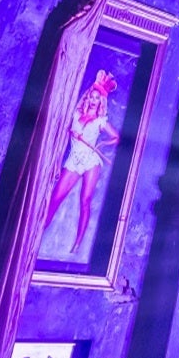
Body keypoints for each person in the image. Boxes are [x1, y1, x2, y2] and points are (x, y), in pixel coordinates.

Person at [43, 69, 121, 257]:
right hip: (74, 160)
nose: (93, 100)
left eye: (97, 98)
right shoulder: (76, 114)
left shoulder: (100, 121)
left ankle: (77, 244)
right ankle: (39, 230)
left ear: (101, 101)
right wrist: (72, 133)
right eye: (92, 97)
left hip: (90, 161)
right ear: (88, 97)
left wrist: (101, 144)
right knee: (55, 198)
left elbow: (116, 137)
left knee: (85, 200)